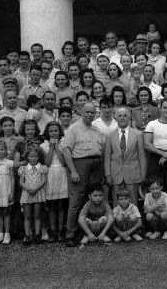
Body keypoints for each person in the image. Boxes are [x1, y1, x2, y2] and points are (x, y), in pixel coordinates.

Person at [61, 102, 106, 247]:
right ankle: (70, 234)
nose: (90, 114)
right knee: (76, 200)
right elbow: (67, 150)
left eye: (92, 112)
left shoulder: (97, 130)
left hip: (96, 165)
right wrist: (73, 170)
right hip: (80, 165)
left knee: (94, 199)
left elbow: (102, 151)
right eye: (87, 112)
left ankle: (90, 231)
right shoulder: (73, 129)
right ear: (81, 112)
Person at [105, 106, 146, 205]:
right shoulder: (109, 135)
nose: (122, 117)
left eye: (125, 115)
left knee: (133, 203)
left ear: (129, 117)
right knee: (116, 204)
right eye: (119, 116)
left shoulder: (138, 134)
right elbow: (107, 157)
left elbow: (142, 157)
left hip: (133, 174)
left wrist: (143, 175)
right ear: (115, 118)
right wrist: (108, 175)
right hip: (116, 175)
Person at [40, 121, 68, 242]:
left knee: (61, 205)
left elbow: (64, 162)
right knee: (51, 206)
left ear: (60, 131)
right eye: (51, 131)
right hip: (50, 174)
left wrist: (57, 147)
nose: (54, 133)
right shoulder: (43, 146)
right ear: (47, 132)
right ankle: (53, 231)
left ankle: (61, 230)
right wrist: (51, 148)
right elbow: (46, 163)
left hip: (62, 174)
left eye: (56, 130)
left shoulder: (64, 143)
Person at [18, 146, 48, 245]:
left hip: (38, 193)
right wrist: (28, 189)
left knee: (37, 215)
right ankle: (27, 235)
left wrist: (35, 189)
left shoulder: (42, 168)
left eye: (36, 156)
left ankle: (38, 235)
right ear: (27, 157)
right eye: (31, 156)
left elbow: (44, 181)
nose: (33, 158)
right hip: (27, 194)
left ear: (39, 157)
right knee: (27, 216)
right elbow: (21, 182)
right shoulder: (23, 168)